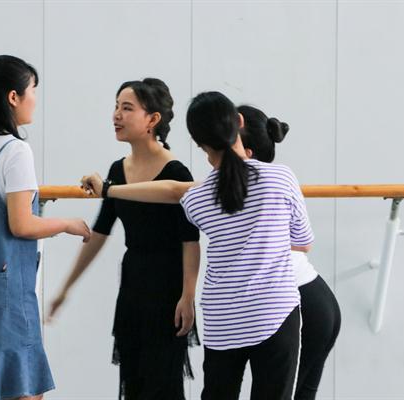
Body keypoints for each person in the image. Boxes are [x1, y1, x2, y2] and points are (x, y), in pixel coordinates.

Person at [81, 91, 314, 399]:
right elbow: (303, 243)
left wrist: (108, 190)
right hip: (276, 314)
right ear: (239, 122)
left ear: (198, 142)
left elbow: (174, 191)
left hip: (222, 321)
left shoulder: (198, 200)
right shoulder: (281, 178)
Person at [0, 55, 90, 400]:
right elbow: (21, 224)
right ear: (13, 97)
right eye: (33, 90)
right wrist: (67, 224)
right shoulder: (15, 151)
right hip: (6, 292)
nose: (35, 99)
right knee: (24, 386)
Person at [47, 78, 201, 399]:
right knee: (134, 380)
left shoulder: (176, 172)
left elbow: (190, 240)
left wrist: (188, 295)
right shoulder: (117, 170)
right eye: (116, 106)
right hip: (132, 284)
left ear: (152, 119)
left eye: (127, 108)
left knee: (163, 382)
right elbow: (100, 232)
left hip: (168, 288)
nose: (116, 115)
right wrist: (65, 287)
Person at [238, 104, 340, 400]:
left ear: (247, 153)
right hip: (317, 301)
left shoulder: (254, 185)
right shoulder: (268, 183)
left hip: (306, 307)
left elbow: (304, 242)